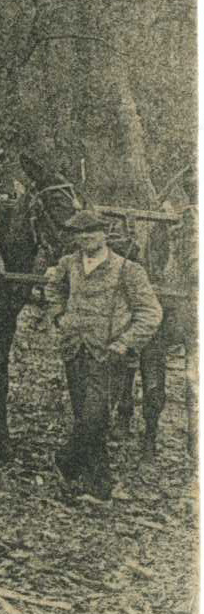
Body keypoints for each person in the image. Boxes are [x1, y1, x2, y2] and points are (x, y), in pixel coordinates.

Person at [49, 209, 162, 499]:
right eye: (80, 233)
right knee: (87, 418)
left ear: (104, 234)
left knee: (94, 418)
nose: (86, 238)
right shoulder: (68, 264)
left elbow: (151, 313)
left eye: (92, 232)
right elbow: (53, 290)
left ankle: (68, 462)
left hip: (109, 354)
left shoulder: (128, 270)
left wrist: (125, 343)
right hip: (74, 349)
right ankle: (97, 485)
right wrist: (60, 317)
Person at [122, 172, 197, 456]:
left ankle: (194, 439)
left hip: (190, 299)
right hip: (166, 294)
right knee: (151, 365)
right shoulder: (174, 220)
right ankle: (148, 431)